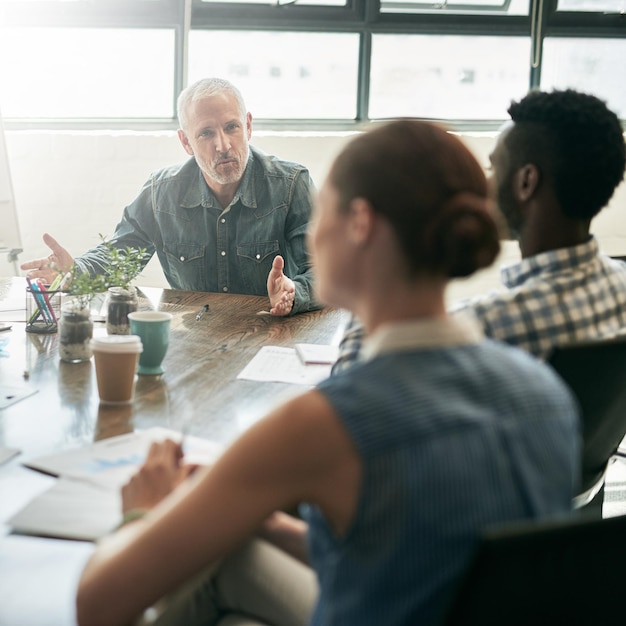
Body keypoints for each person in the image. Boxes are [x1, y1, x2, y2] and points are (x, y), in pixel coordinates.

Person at [76, 120, 580, 626]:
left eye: (324, 214)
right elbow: (421, 555)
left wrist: (143, 511)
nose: (311, 235)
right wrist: (265, 522)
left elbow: (97, 603)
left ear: (359, 224)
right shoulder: (548, 393)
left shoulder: (324, 424)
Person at [332, 88, 626, 372]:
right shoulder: (621, 286)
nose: (486, 184)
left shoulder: (485, 324)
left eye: (493, 168)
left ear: (526, 182)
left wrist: (376, 266)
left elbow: (352, 387)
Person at [20, 78, 320, 316]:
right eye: (205, 133)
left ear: (249, 126)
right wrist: (75, 271)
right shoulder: (160, 193)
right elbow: (120, 257)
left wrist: (295, 291)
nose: (223, 145)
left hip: (272, 334)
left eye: (232, 127)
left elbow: (325, 272)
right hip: (197, 341)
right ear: (186, 141)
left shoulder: (292, 185)